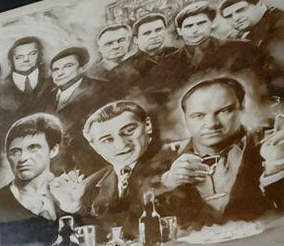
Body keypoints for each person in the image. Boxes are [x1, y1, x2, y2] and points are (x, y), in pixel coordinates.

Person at [156, 77, 284, 227]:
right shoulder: (162, 162)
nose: (211, 124)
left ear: (242, 107)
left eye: (224, 111)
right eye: (198, 115)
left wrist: (276, 168)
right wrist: (166, 185)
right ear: (185, 119)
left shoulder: (271, 146)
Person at [56, 100, 176, 231]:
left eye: (129, 131)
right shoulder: (89, 185)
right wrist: (73, 208)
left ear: (147, 125)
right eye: (107, 140)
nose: (121, 145)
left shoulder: (173, 164)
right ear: (94, 146)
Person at [0, 113, 66, 246]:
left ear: (53, 150)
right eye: (15, 152)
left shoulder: (73, 195)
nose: (23, 158)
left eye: (33, 148)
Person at [48, 46, 106, 142]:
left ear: (82, 68)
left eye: (68, 66)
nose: (60, 73)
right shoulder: (48, 95)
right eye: (56, 69)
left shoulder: (101, 89)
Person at [0, 36, 54, 116]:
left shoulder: (52, 81)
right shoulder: (0, 88)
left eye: (32, 54)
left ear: (40, 55)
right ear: (10, 62)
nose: (26, 60)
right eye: (19, 57)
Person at [89, 21, 148, 90]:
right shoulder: (91, 75)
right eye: (109, 43)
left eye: (121, 40)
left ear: (129, 41)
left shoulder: (143, 65)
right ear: (98, 48)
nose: (116, 46)